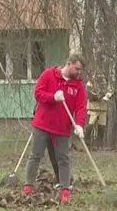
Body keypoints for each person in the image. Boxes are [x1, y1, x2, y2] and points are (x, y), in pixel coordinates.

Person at [25, 54, 87, 203]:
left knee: (63, 158)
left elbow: (80, 107)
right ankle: (28, 187)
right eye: (77, 69)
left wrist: (79, 124)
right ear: (69, 64)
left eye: (81, 70)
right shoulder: (49, 75)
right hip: (42, 125)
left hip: (62, 129)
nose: (79, 73)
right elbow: (38, 94)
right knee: (36, 155)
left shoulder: (78, 85)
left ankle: (65, 190)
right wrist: (53, 97)